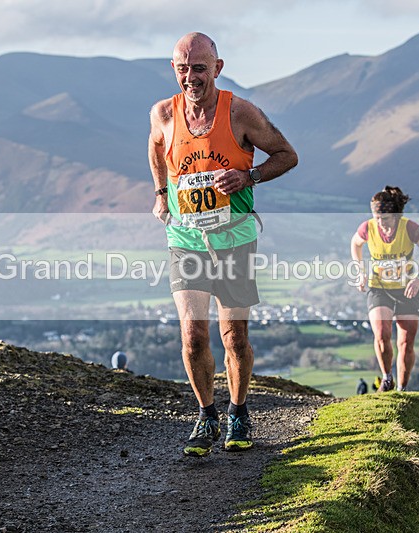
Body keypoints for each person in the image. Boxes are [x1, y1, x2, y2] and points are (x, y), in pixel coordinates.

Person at [148, 32, 298, 457]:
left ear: (217, 67)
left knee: (233, 337)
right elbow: (156, 148)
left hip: (234, 237)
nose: (190, 76)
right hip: (186, 238)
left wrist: (248, 177)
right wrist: (161, 194)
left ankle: (238, 411)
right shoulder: (163, 113)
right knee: (194, 336)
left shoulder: (241, 113)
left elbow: (287, 154)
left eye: (199, 67)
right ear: (173, 69)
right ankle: (206, 414)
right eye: (182, 68)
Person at [350, 186, 419, 392]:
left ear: (397, 216)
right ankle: (387, 377)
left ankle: (402, 387)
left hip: (408, 289)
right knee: (381, 335)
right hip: (379, 287)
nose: (382, 224)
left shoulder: (409, 228)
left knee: (405, 343)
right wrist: (361, 271)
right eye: (378, 218)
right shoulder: (368, 227)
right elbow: (355, 244)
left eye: (387, 219)